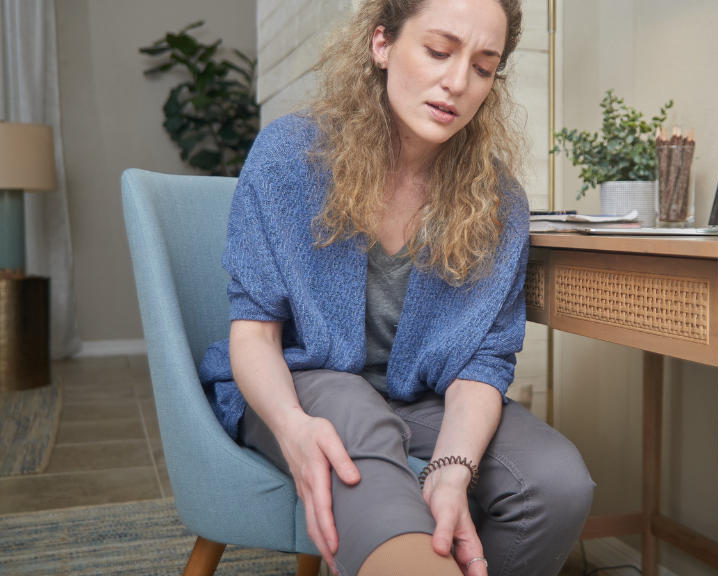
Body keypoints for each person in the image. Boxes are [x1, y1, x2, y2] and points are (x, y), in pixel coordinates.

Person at [197, 0, 595, 575]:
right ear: (382, 44)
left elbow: (482, 363)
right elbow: (255, 333)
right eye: (438, 51)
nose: (458, 82)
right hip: (300, 387)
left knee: (556, 482)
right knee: (351, 416)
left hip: (420, 399)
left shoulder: (498, 201)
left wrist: (453, 468)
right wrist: (291, 427)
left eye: (484, 67)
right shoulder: (289, 157)